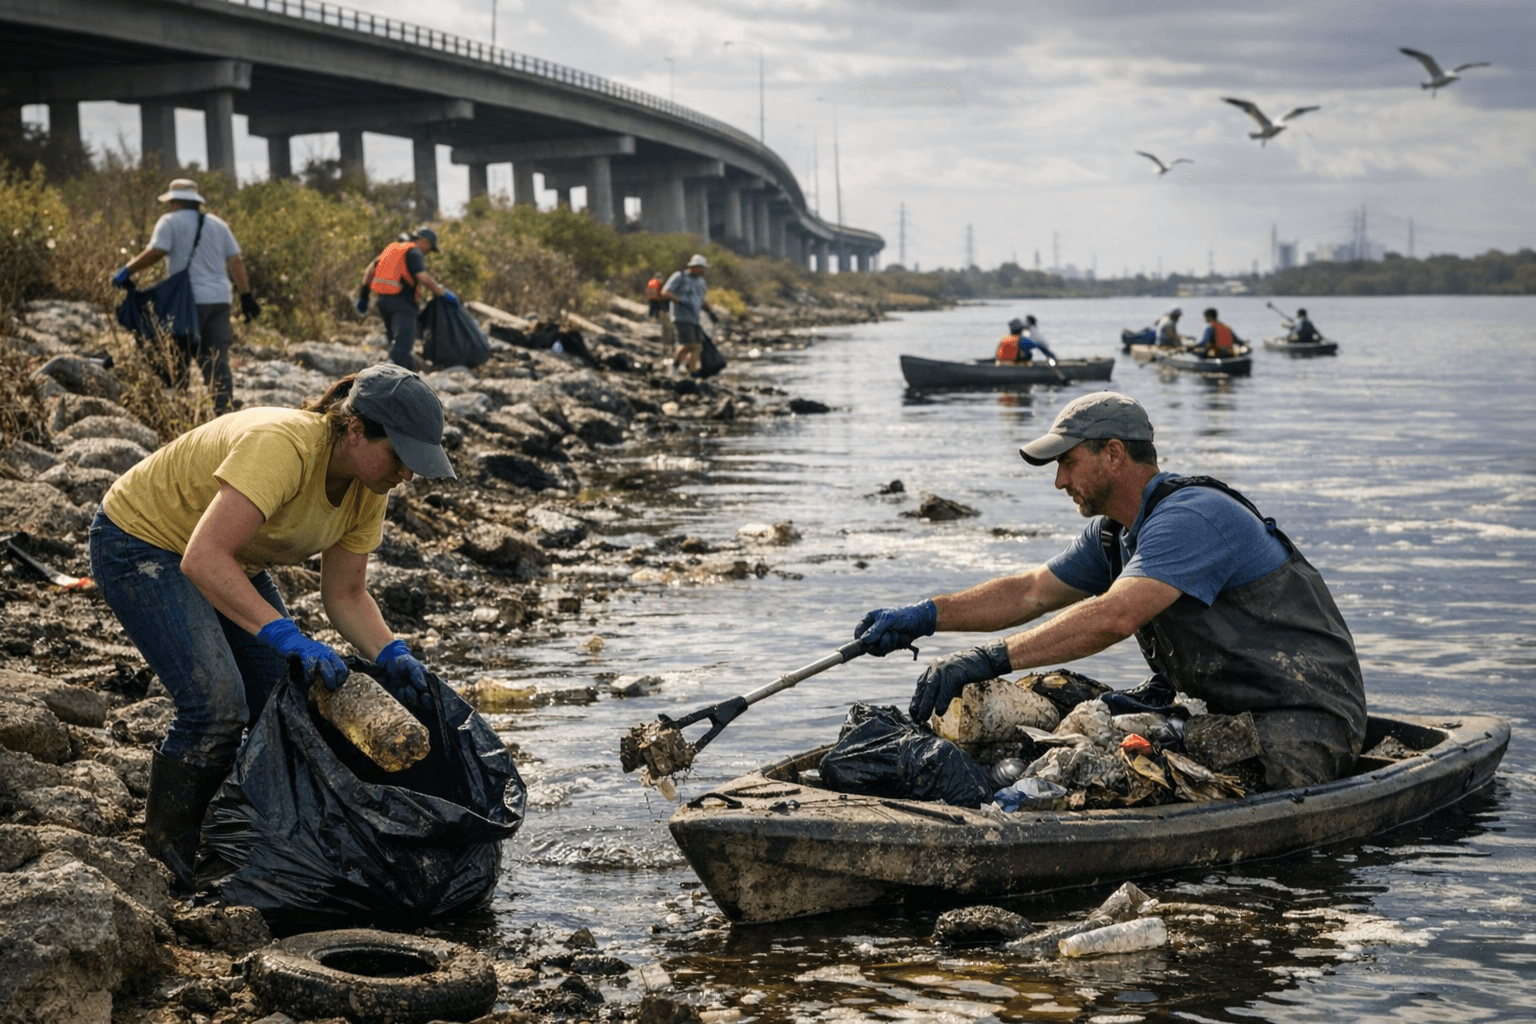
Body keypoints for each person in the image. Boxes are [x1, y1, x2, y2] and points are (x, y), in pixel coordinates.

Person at [853, 390, 1367, 791]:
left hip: (1305, 727)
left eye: (1067, 462)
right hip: (1233, 713)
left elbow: (1114, 617)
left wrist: (988, 659)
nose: (1059, 481)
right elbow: (1030, 592)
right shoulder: (1116, 532)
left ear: (1114, 454)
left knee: (1097, 768)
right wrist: (926, 615)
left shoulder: (1191, 517)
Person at [88, 363, 456, 890]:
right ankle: (168, 854)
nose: (407, 475)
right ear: (355, 429)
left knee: (281, 705)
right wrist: (285, 635)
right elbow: (203, 558)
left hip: (227, 558)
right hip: (142, 543)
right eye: (400, 457)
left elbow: (346, 595)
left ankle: (235, 834)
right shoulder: (283, 447)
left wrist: (392, 652)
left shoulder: (368, 485)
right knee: (216, 706)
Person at [112, 178, 260, 415]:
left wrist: (126, 271)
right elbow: (236, 261)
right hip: (220, 300)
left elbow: (156, 252)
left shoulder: (169, 221)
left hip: (187, 301)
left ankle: (178, 407)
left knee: (177, 352)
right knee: (216, 357)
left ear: (174, 201)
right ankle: (223, 410)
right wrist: (246, 295)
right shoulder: (218, 224)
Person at [357, 227, 458, 370]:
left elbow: (369, 271)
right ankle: (401, 378)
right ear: (424, 241)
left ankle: (389, 372)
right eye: (430, 247)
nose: (429, 252)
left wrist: (364, 296)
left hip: (383, 302)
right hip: (402, 303)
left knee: (393, 341)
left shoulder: (392, 249)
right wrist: (441, 292)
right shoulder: (414, 252)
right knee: (403, 345)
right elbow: (422, 277)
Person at [661, 253, 718, 375]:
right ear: (695, 267)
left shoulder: (701, 283)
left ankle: (693, 372)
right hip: (681, 317)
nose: (703, 271)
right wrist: (681, 300)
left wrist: (711, 313)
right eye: (702, 268)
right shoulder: (679, 277)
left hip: (695, 318)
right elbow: (665, 293)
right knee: (689, 345)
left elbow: (702, 301)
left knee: (697, 346)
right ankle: (674, 368)